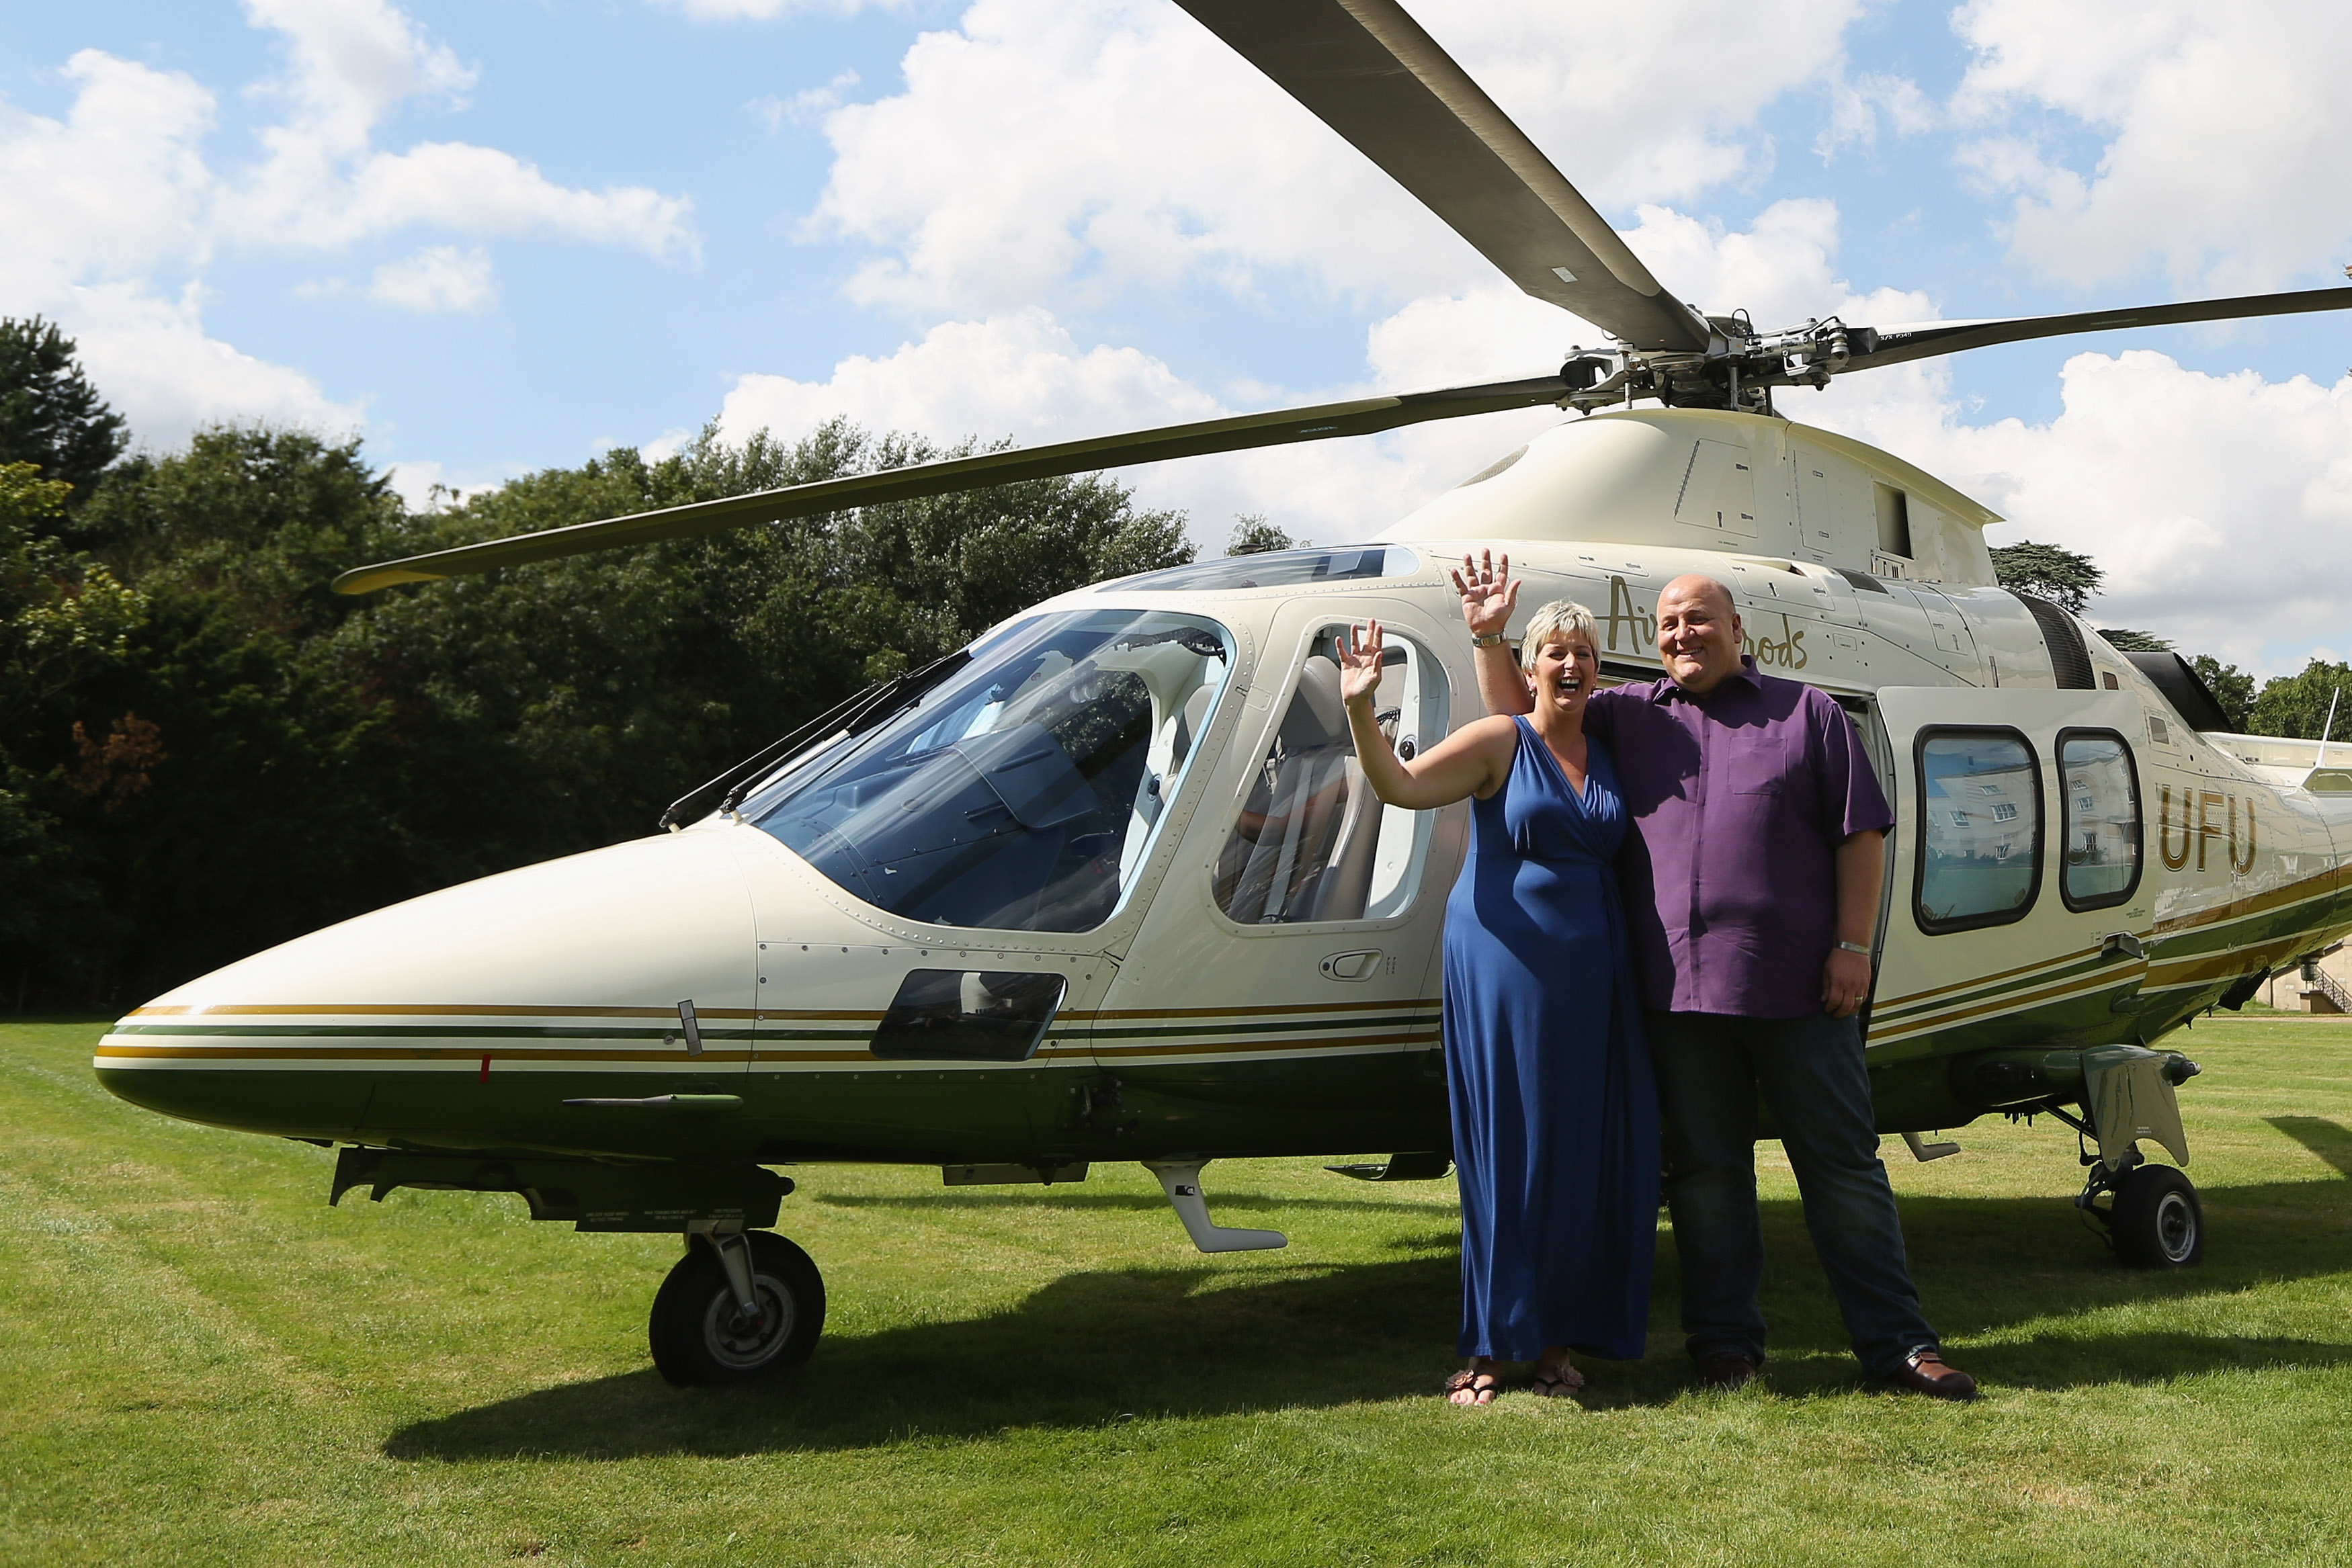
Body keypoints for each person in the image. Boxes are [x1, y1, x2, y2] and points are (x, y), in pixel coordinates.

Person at [1455, 553, 1977, 1401]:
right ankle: (1724, 1347)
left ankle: (1897, 1345)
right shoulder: (1628, 715)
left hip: (1797, 990)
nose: (1681, 634)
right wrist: (1489, 638)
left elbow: (1861, 836)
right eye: (1666, 625)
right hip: (1675, 999)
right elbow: (1526, 732)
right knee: (1706, 1177)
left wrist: (1853, 948)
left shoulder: (1804, 713)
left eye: (1698, 619)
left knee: (1842, 1168)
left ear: (1739, 631)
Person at [1335, 602, 1658, 1406]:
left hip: (1595, 977)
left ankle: (1552, 1347)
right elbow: (1400, 786)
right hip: (1504, 970)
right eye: (1554, 652)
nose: (1570, 666)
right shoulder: (1500, 740)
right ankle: (1489, 1346)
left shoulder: (1607, 749)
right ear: (1531, 662)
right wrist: (1356, 707)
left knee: (1578, 1159)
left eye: (1583, 652)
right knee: (1509, 1153)